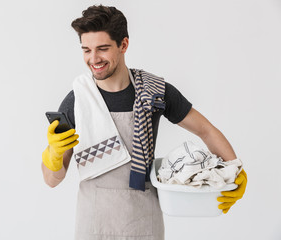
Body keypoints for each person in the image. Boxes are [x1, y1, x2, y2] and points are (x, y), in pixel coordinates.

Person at [41, 5, 247, 240]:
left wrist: (235, 170)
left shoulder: (155, 92)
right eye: (86, 50)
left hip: (143, 220)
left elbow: (205, 130)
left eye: (103, 48)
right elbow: (51, 180)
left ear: (124, 45)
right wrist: (54, 154)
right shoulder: (77, 99)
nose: (93, 59)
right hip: (93, 222)